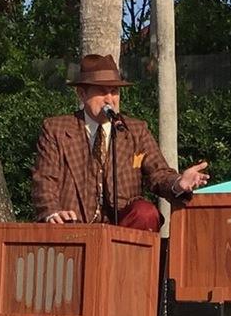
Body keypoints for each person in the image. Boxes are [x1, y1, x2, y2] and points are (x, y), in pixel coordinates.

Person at [31, 54, 210, 230]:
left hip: (124, 229)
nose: (110, 99)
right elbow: (45, 180)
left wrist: (178, 183)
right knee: (63, 225)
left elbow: (159, 173)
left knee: (145, 213)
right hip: (75, 228)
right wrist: (52, 212)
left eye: (114, 91)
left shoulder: (135, 130)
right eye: (102, 92)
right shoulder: (57, 129)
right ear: (82, 93)